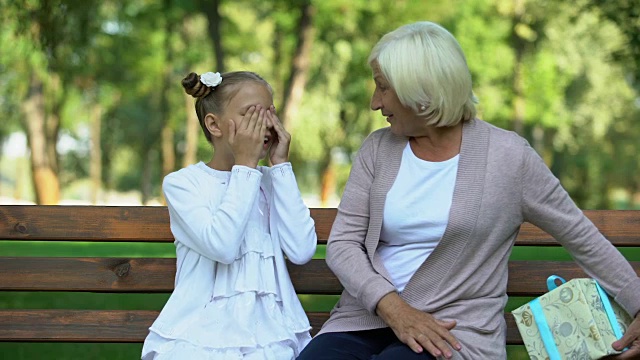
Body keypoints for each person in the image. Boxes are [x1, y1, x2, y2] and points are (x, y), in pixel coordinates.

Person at [297, 21, 640, 359]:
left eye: (383, 87)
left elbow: (582, 236)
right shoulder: (377, 149)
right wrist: (393, 310)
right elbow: (343, 244)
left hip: (456, 332)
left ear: (420, 93)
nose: (374, 102)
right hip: (366, 318)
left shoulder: (508, 158)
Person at [141, 71, 317, 359]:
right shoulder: (183, 184)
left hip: (270, 331)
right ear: (214, 124)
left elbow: (301, 250)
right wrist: (246, 166)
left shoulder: (274, 181)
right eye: (251, 115)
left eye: (270, 113)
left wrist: (281, 165)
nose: (265, 125)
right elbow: (222, 246)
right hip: (200, 329)